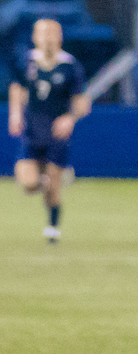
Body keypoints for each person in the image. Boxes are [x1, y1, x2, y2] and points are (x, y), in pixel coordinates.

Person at [7, 18, 90, 244]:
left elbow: (82, 103)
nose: (48, 38)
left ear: (60, 37)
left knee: (53, 189)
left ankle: (52, 228)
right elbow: (16, 88)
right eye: (43, 33)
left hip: (57, 135)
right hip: (33, 132)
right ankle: (45, 181)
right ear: (35, 37)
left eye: (52, 33)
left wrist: (70, 118)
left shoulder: (70, 66)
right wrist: (15, 114)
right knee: (28, 184)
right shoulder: (27, 62)